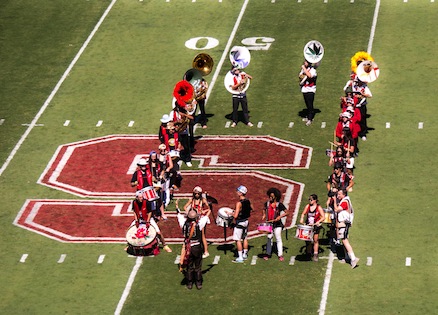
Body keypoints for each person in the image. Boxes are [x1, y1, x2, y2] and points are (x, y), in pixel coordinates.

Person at [177, 209, 210, 290]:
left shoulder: (183, 223)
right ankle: (198, 283)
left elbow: (179, 215)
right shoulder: (199, 224)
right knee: (198, 266)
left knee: (189, 266)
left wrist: (177, 209)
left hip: (187, 247)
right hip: (197, 247)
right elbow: (206, 216)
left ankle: (189, 283)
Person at [332, 189, 359, 268]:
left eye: (339, 194)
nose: (338, 196)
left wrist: (334, 201)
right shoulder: (345, 200)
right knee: (344, 240)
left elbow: (336, 209)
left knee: (344, 240)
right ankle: (347, 257)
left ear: (344, 194)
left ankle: (353, 258)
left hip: (344, 223)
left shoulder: (344, 202)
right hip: (344, 223)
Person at [184, 186, 211, 259]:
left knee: (202, 235)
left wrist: (204, 213)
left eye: (198, 194)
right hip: (194, 218)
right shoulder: (191, 200)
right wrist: (189, 212)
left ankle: (206, 251)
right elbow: (185, 207)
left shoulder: (203, 200)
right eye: (195, 193)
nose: (196, 195)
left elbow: (209, 209)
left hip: (200, 219)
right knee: (194, 234)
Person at [261, 187, 288, 261]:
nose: (270, 198)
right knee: (269, 238)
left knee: (278, 238)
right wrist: (263, 215)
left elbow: (287, 212)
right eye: (269, 196)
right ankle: (268, 253)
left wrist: (280, 216)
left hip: (277, 224)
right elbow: (264, 209)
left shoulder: (279, 204)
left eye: (272, 196)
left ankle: (280, 255)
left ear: (276, 197)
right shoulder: (267, 203)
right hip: (269, 224)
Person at [300, 194, 325, 262]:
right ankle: (308, 253)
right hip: (308, 226)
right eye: (309, 199)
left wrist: (318, 222)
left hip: (315, 226)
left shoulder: (318, 207)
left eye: (311, 200)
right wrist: (302, 219)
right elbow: (303, 213)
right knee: (307, 240)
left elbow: (323, 217)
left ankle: (315, 254)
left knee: (315, 240)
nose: (310, 201)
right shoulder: (307, 206)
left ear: (315, 200)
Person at [232, 185, 252, 263]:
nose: (237, 192)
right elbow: (252, 209)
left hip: (240, 222)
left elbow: (236, 216)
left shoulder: (239, 203)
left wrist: (231, 213)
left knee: (238, 240)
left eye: (238, 191)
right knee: (245, 238)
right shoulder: (248, 201)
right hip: (246, 221)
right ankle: (245, 254)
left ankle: (240, 257)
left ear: (241, 193)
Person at [299, 59, 317, 126]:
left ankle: (310, 118)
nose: (304, 62)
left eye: (306, 62)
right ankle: (308, 116)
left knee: (310, 104)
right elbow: (300, 76)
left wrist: (304, 69)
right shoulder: (305, 69)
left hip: (311, 89)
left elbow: (309, 75)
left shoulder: (313, 70)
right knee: (307, 103)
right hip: (304, 89)